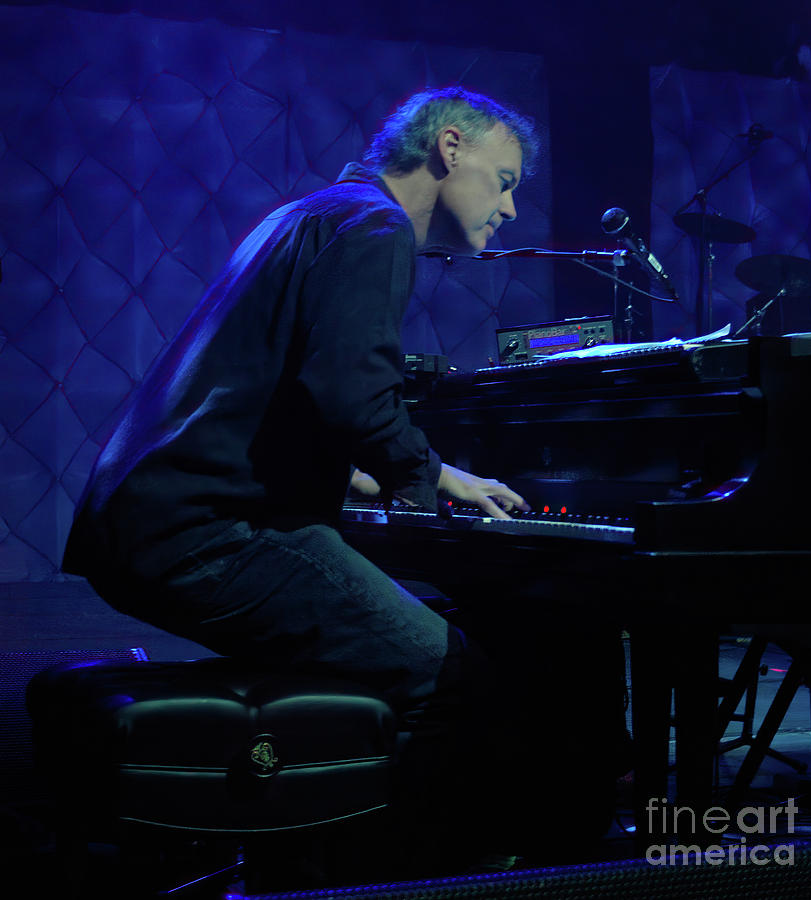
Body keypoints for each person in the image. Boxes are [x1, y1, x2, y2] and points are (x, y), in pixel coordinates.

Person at [62, 87, 614, 877]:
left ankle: (325, 839)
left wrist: (356, 479)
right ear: (449, 149)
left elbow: (283, 390)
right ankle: (411, 879)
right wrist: (436, 476)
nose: (514, 208)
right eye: (506, 179)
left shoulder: (311, 213)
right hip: (208, 535)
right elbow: (352, 389)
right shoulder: (376, 225)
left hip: (152, 519)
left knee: (425, 641)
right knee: (449, 674)